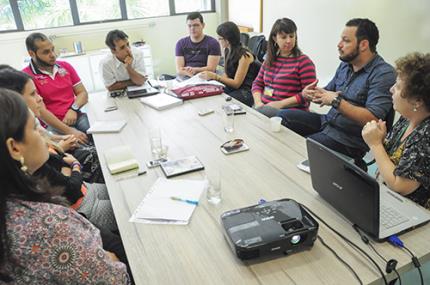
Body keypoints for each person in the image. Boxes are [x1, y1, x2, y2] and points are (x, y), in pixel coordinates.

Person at [0, 88, 130, 284]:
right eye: (35, 129)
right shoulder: (48, 224)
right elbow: (115, 278)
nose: (43, 136)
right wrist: (109, 260)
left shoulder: (17, 200)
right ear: (15, 148)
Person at [278, 18, 396, 169]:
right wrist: (311, 93)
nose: (339, 45)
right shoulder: (346, 65)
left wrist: (336, 101)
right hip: (327, 122)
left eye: (345, 41)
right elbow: (328, 92)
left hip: (348, 140)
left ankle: (354, 164)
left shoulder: (383, 74)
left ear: (364, 44)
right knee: (282, 117)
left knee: (302, 148)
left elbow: (373, 118)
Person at [0, 66, 105, 184]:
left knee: (95, 145)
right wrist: (62, 148)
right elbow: (68, 186)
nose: (40, 98)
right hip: (63, 167)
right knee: (96, 157)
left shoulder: (29, 121)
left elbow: (45, 136)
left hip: (60, 156)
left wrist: (62, 139)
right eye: (33, 94)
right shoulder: (22, 135)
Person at [362, 52, 430, 209]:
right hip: (385, 197)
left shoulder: (426, 135)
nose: (391, 89)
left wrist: (376, 144)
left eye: (398, 86)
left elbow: (399, 186)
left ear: (417, 101)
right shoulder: (407, 118)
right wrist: (381, 140)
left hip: (410, 212)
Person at [22, 32, 91, 138]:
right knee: (76, 149)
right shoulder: (27, 76)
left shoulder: (65, 66)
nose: (53, 55)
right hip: (52, 126)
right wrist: (70, 131)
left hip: (76, 115)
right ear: (32, 54)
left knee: (97, 136)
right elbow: (41, 111)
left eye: (52, 49)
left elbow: (83, 93)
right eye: (46, 52)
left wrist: (73, 109)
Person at [251, 18, 317, 118]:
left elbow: (308, 95)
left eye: (292, 36)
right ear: (274, 38)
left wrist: (280, 104)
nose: (288, 41)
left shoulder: (304, 62)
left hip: (289, 113)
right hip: (264, 107)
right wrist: (258, 103)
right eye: (283, 37)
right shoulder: (270, 59)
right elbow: (257, 83)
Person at [199, 21, 261, 107]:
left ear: (227, 40)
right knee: (212, 93)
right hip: (233, 87)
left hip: (246, 91)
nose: (218, 40)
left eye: (220, 38)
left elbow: (236, 83)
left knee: (225, 102)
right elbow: (226, 74)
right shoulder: (227, 50)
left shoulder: (245, 56)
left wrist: (215, 76)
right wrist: (217, 84)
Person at [175, 12, 221, 78]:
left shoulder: (213, 43)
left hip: (206, 77)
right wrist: (192, 77)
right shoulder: (180, 43)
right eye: (189, 26)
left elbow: (211, 69)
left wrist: (195, 70)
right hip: (186, 77)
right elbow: (179, 69)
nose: (192, 28)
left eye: (196, 25)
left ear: (203, 25)